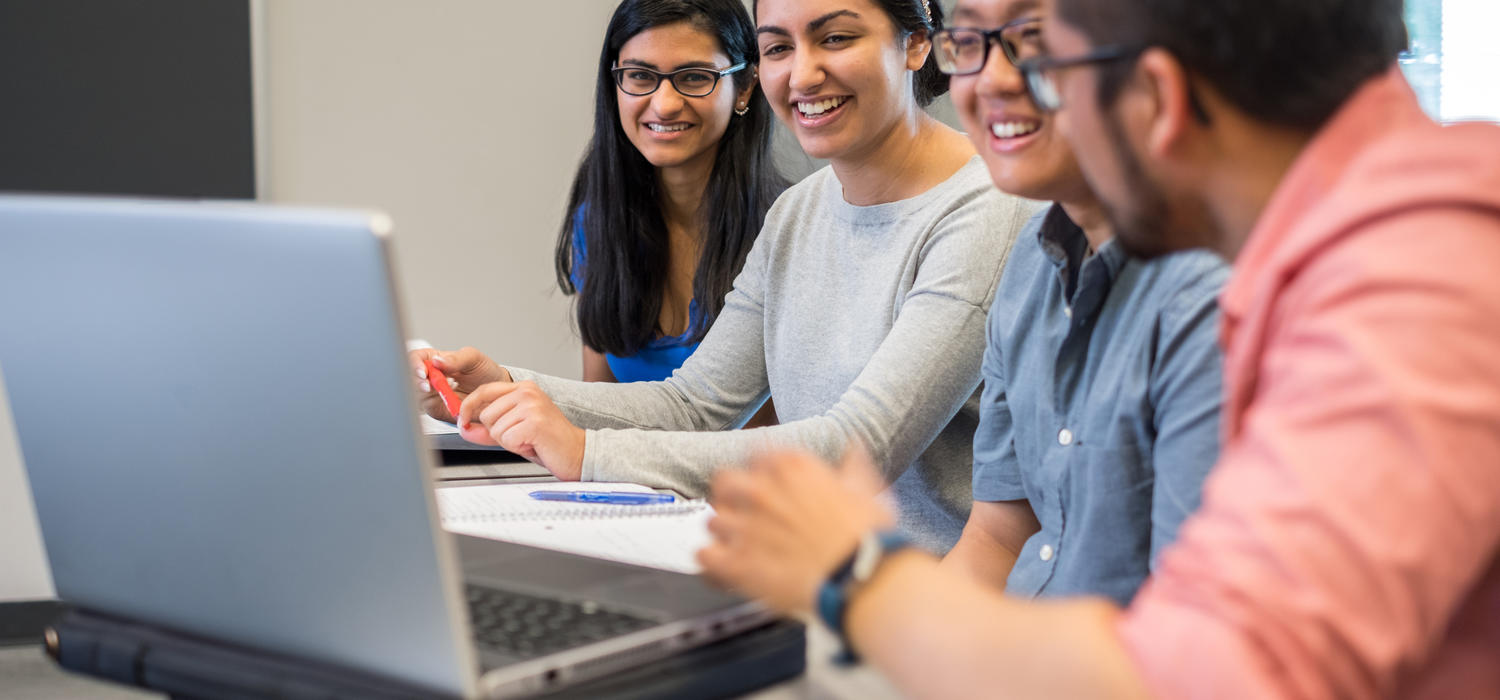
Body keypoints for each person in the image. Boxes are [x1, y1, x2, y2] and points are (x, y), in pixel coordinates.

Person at [698, 0, 1500, 696]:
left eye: (1054, 67)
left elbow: (1213, 677)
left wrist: (857, 575)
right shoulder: (1346, 240)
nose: (1006, 93)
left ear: (1157, 98)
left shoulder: (1420, 276)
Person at [416, 0, 1037, 551]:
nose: (803, 73)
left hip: (935, 603)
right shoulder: (801, 211)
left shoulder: (985, 208)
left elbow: (860, 447)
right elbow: (695, 405)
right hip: (810, 578)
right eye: (777, 48)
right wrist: (496, 388)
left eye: (837, 38)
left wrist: (590, 454)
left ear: (916, 41)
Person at [924, 2, 1227, 608]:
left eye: (1033, 39)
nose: (994, 79)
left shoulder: (1209, 293)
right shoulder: (1032, 263)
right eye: (966, 40)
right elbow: (997, 536)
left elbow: (1188, 633)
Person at [555, 0, 785, 396]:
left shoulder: (786, 233)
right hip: (629, 458)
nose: (663, 104)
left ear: (745, 86)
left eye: (694, 77)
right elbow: (598, 409)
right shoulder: (597, 221)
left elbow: (767, 435)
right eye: (640, 76)